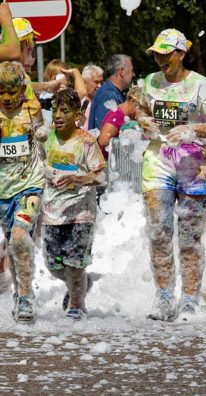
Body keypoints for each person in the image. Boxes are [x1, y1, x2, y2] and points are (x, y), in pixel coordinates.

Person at [137, 29, 206, 321]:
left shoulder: (201, 85)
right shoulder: (150, 82)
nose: (161, 59)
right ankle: (163, 297)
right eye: (157, 54)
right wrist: (142, 119)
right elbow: (137, 108)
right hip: (158, 160)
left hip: (193, 164)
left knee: (189, 237)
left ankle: (189, 298)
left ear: (181, 54)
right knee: (159, 231)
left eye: (166, 54)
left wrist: (193, 130)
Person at [41, 89, 106, 321]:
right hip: (52, 212)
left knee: (74, 264)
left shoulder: (86, 141)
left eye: (64, 111)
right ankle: (80, 283)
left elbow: (101, 176)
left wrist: (79, 178)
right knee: (53, 265)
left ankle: (77, 305)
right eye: (54, 110)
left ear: (77, 115)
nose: (57, 115)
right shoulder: (46, 137)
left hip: (81, 213)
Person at [0, 61, 45, 323]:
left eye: (11, 91)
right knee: (14, 245)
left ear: (21, 90)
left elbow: (44, 139)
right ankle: (20, 291)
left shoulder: (31, 110)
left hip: (30, 185)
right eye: (1, 91)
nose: (6, 98)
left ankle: (26, 297)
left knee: (18, 238)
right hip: (3, 189)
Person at [88, 54, 135, 131]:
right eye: (131, 70)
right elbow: (103, 132)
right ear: (122, 71)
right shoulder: (108, 95)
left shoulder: (112, 93)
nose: (133, 74)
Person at [96, 86, 143, 157]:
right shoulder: (117, 115)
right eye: (140, 108)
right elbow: (103, 141)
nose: (141, 112)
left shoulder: (128, 115)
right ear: (132, 101)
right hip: (108, 162)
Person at [81, 64, 104, 129]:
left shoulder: (105, 103)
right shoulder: (77, 102)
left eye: (101, 82)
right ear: (85, 83)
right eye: (96, 82)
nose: (100, 86)